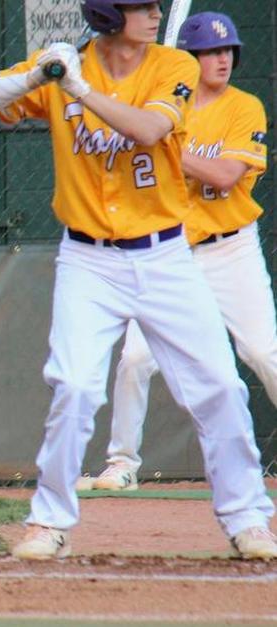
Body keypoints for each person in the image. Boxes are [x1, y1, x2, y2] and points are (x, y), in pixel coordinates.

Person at [0, 0, 277, 560]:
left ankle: (249, 519)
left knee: (221, 388)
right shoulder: (64, 66)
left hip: (165, 255)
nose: (154, 15)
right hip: (88, 261)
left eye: (155, 7)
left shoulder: (173, 67)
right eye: (140, 7)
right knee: (76, 387)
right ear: (109, 14)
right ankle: (48, 522)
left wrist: (78, 91)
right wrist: (37, 75)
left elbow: (151, 128)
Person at [92, 12, 275, 493]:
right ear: (186, 60)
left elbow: (224, 176)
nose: (222, 60)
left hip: (230, 249)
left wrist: (165, 145)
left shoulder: (244, 107)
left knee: (263, 352)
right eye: (210, 52)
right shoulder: (161, 105)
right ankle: (121, 464)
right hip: (169, 254)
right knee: (134, 359)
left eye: (227, 51)